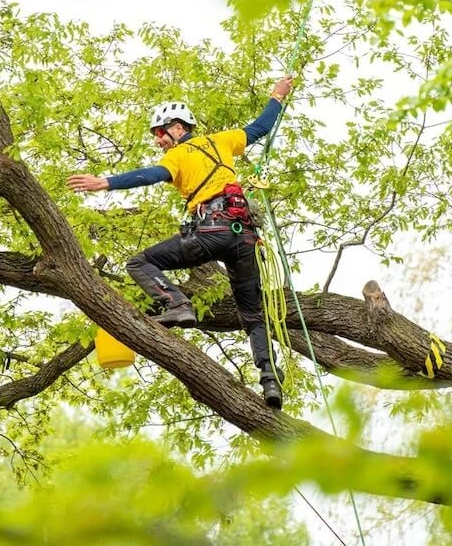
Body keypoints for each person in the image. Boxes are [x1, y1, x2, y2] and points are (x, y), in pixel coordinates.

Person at [67, 75, 293, 408]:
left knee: (139, 262)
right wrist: (277, 94)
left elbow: (150, 175)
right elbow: (261, 126)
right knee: (253, 314)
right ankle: (270, 381)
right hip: (243, 238)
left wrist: (106, 182)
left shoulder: (179, 155)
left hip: (211, 232)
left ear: (176, 127)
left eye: (160, 133)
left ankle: (176, 304)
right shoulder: (224, 140)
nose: (158, 141)